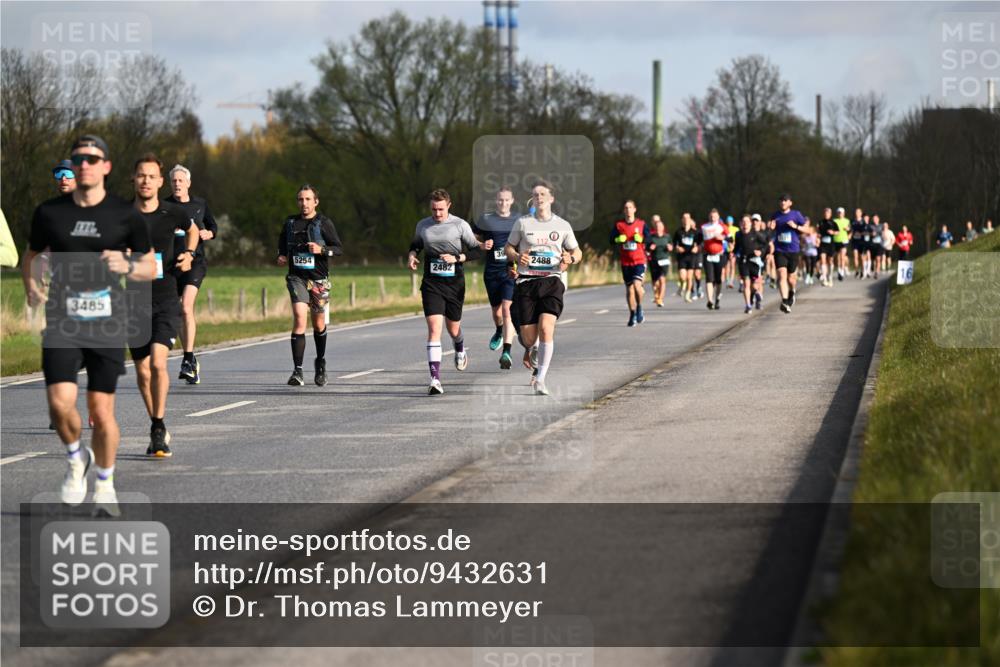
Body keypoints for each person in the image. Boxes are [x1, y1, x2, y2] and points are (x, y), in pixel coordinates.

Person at [21, 134, 156, 515]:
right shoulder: (50, 213)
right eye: (78, 159)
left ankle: (105, 482)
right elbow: (31, 255)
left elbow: (150, 266)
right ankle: (75, 456)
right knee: (59, 405)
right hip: (63, 320)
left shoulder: (125, 215)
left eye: (92, 159)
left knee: (102, 410)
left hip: (107, 322)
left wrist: (127, 265)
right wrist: (31, 284)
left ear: (106, 167)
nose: (84, 165)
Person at [128, 154, 197, 457]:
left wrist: (190, 253)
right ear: (134, 179)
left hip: (166, 297)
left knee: (158, 363)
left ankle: (158, 427)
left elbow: (192, 229)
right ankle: (156, 422)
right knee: (143, 372)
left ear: (159, 181)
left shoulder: (172, 213)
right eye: (140, 175)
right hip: (133, 302)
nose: (145, 180)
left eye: (151, 176)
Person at [504, 180, 582, 396]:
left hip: (552, 280)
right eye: (535, 194)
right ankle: (531, 347)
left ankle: (541, 379)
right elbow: (508, 248)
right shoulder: (522, 223)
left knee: (547, 327)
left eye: (543, 194)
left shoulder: (562, 225)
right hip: (526, 281)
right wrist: (518, 255)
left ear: (551, 198)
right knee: (529, 338)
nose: (539, 198)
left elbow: (577, 252)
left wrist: (571, 257)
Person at [408, 189, 485, 395]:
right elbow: (416, 245)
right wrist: (412, 255)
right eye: (434, 209)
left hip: (454, 285)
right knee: (434, 330)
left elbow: (476, 251)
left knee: (453, 329)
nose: (437, 214)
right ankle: (435, 379)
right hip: (432, 284)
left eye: (441, 209)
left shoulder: (460, 225)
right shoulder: (423, 225)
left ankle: (459, 347)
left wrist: (457, 258)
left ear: (449, 206)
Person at [277, 185, 344, 386]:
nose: (303, 203)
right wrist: (280, 255)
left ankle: (320, 362)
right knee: (299, 317)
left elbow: (338, 249)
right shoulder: (290, 223)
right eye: (300, 199)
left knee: (318, 323)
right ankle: (297, 371)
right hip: (296, 278)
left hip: (319, 280)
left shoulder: (324, 223)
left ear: (316, 201)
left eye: (307, 199)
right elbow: (282, 244)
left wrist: (322, 250)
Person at [165, 165, 217, 385]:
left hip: (195, 263)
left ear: (188, 183)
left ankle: (187, 360)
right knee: (175, 311)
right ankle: (191, 358)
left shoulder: (200, 204)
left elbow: (214, 227)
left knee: (186, 307)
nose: (177, 184)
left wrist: (209, 232)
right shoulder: (163, 206)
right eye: (174, 181)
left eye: (180, 180)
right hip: (170, 265)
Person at [473, 187, 518, 369]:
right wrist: (482, 245)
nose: (503, 203)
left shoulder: (519, 219)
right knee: (497, 312)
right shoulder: (485, 219)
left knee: (507, 310)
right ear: (496, 201)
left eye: (507, 200)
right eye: (500, 200)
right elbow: (469, 237)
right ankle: (499, 330)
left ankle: (506, 352)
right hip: (491, 272)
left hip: (509, 271)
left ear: (512, 201)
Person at [611, 200, 649, 326]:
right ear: (624, 210)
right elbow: (611, 240)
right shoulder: (619, 225)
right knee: (629, 290)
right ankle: (632, 313)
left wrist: (641, 239)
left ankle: (639, 308)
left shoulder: (641, 224)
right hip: (626, 262)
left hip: (639, 260)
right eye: (626, 208)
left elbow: (649, 239)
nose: (628, 210)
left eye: (630, 207)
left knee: (637, 286)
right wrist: (617, 239)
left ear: (634, 209)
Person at [770, 194, 806, 314]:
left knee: (791, 279)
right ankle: (784, 301)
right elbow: (771, 229)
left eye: (785, 200)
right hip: (780, 250)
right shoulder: (775, 215)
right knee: (781, 274)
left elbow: (807, 229)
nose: (783, 202)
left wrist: (795, 226)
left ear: (790, 203)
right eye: (781, 200)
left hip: (793, 250)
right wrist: (771, 227)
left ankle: (792, 292)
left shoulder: (796, 214)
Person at [734, 215, 768, 313]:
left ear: (750, 223)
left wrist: (761, 252)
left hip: (754, 261)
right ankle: (748, 305)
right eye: (743, 222)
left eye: (747, 222)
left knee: (754, 285)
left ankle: (757, 293)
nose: (745, 224)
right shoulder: (738, 234)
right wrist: (733, 253)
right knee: (746, 283)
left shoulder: (756, 234)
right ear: (741, 223)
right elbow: (737, 247)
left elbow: (765, 245)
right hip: (743, 261)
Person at [699, 209, 727, 310]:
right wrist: (698, 245)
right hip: (707, 255)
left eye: (714, 216)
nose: (712, 218)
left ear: (718, 217)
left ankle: (717, 299)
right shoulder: (704, 227)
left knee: (718, 279)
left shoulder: (722, 226)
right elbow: (698, 238)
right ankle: (710, 300)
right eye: (711, 216)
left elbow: (730, 238)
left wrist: (722, 238)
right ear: (708, 217)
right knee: (709, 278)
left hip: (719, 255)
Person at [672, 213, 701, 303]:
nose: (686, 220)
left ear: (690, 219)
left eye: (687, 218)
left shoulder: (695, 232)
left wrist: (697, 248)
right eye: (684, 218)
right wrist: (677, 248)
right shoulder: (678, 232)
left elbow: (700, 243)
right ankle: (682, 285)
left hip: (692, 257)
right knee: (682, 276)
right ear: (682, 220)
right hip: (682, 257)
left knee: (689, 277)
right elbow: (674, 243)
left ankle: (688, 294)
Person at [646, 215, 673, 307]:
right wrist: (650, 248)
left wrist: (670, 248)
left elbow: (671, 246)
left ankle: (660, 299)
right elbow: (646, 249)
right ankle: (657, 295)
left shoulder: (667, 236)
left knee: (662, 279)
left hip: (664, 260)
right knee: (655, 282)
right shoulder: (651, 237)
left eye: (660, 227)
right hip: (654, 261)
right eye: (657, 227)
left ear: (663, 227)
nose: (658, 228)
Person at [816, 207, 838, 287]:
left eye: (828, 213)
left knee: (830, 261)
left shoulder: (833, 222)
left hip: (831, 244)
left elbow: (838, 232)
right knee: (823, 260)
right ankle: (824, 278)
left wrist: (833, 232)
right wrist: (818, 237)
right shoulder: (820, 222)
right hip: (823, 244)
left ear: (830, 214)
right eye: (825, 213)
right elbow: (817, 231)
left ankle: (830, 277)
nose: (826, 214)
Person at [833, 206, 851, 281]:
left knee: (842, 256)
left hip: (844, 240)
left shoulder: (847, 221)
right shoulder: (834, 221)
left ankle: (842, 272)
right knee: (838, 257)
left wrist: (848, 229)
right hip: (836, 240)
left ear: (844, 213)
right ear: (837, 213)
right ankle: (839, 270)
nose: (840, 214)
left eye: (841, 213)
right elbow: (832, 229)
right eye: (839, 213)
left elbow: (850, 229)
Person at [850, 208, 866, 278]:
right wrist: (849, 232)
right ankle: (857, 271)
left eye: (858, 212)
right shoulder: (852, 221)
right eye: (856, 212)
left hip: (861, 242)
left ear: (861, 213)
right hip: (854, 241)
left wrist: (860, 233)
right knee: (855, 256)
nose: (857, 213)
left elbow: (866, 231)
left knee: (862, 258)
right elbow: (850, 229)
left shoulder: (863, 222)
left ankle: (862, 271)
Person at [869, 214, 885, 279]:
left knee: (878, 259)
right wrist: (871, 234)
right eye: (873, 219)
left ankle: (876, 273)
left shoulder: (882, 226)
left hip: (879, 244)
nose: (875, 220)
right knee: (873, 259)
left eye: (876, 219)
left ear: (878, 219)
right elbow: (867, 234)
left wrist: (883, 234)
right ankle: (872, 265)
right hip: (872, 245)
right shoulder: (870, 226)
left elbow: (884, 233)